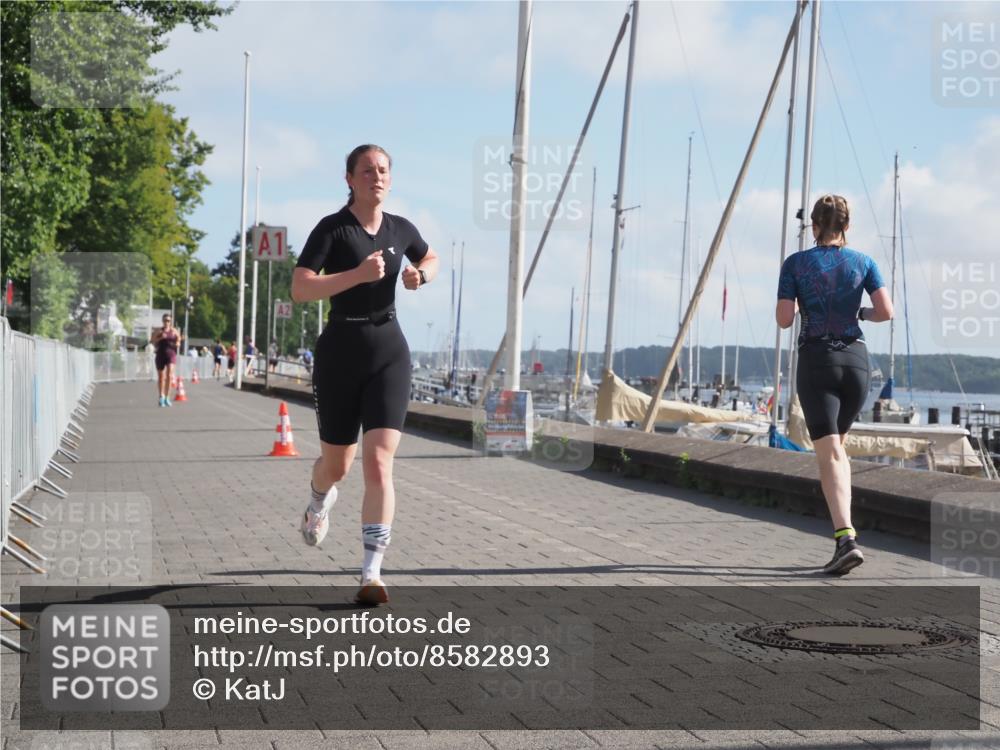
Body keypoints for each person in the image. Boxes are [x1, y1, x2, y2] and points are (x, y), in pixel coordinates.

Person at [291, 144, 439, 606]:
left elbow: (431, 257)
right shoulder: (332, 229)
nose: (377, 176)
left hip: (389, 352)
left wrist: (421, 275)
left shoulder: (401, 228)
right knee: (337, 466)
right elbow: (300, 288)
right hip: (340, 352)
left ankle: (371, 572)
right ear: (350, 179)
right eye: (367, 170)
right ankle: (319, 498)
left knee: (379, 463)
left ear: (390, 178)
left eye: (383, 170)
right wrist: (355, 275)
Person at [776, 194, 893, 575]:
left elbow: (784, 319)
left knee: (828, 455)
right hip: (857, 364)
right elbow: (886, 311)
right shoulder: (864, 262)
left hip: (818, 361)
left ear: (813, 225)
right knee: (837, 452)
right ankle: (845, 539)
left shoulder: (796, 263)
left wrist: (799, 300)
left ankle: (846, 540)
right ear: (847, 225)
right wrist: (859, 312)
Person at [151, 313, 182, 407]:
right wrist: (160, 337)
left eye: (168, 320)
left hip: (171, 355)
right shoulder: (158, 331)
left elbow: (179, 340)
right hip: (160, 354)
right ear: (162, 321)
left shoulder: (174, 331)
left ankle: (167, 397)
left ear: (170, 321)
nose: (166, 322)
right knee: (161, 377)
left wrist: (177, 343)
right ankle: (161, 396)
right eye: (165, 320)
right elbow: (152, 341)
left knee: (169, 375)